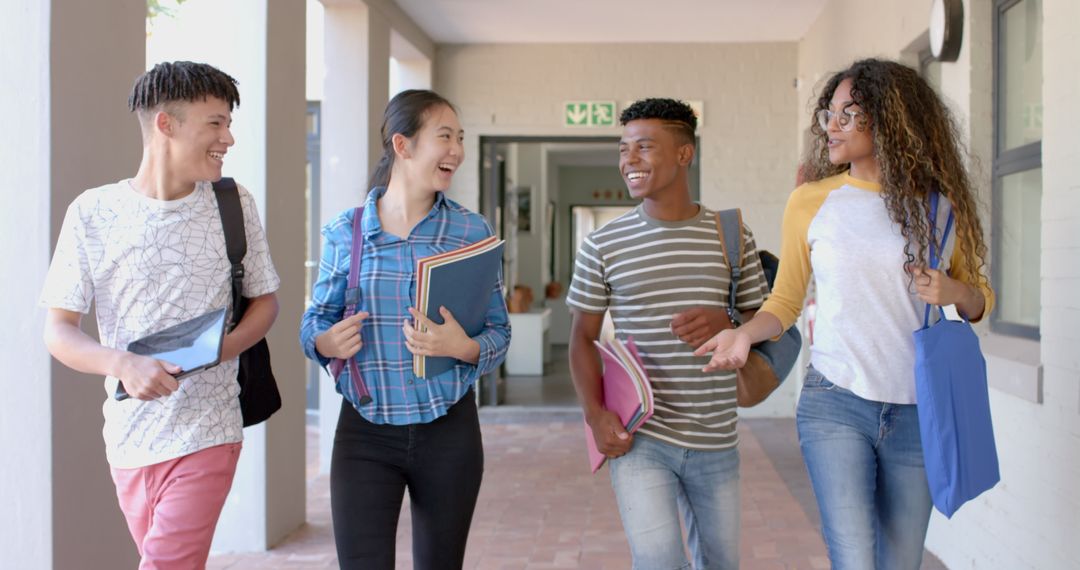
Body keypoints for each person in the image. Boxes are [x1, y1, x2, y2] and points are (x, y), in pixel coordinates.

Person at [696, 58, 995, 569]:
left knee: (900, 561)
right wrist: (745, 334)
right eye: (828, 114)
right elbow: (786, 300)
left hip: (918, 411)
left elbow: (980, 300)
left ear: (891, 120)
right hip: (836, 403)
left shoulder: (939, 209)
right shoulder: (811, 202)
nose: (831, 127)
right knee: (854, 559)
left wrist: (953, 290)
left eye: (848, 115)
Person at [40, 61, 281, 568]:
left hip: (208, 426)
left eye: (229, 123)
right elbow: (60, 332)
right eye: (215, 123)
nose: (229, 138)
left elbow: (265, 302)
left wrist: (217, 352)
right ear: (166, 124)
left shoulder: (233, 203)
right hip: (128, 436)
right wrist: (123, 365)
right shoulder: (93, 212)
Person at [299, 89, 510, 570]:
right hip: (365, 433)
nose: (456, 149)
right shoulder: (345, 232)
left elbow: (500, 331)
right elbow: (314, 322)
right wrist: (324, 342)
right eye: (445, 137)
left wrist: (465, 348)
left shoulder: (471, 231)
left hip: (449, 430)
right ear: (403, 144)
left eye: (460, 138)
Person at [567, 98, 770, 569]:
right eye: (623, 149)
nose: (629, 161)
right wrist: (594, 415)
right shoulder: (603, 244)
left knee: (720, 563)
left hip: (716, 436)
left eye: (644, 147)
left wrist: (730, 322)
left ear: (684, 154)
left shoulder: (731, 234)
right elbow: (581, 338)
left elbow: (761, 321)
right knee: (659, 562)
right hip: (640, 437)